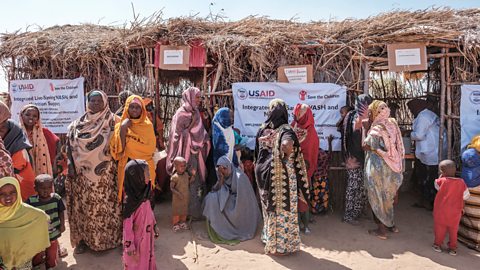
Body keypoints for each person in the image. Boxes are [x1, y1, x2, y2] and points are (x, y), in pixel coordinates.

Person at [66, 90, 122, 253]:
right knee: (84, 207)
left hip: (107, 175)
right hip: (82, 175)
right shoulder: (77, 124)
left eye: (99, 101)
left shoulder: (114, 121)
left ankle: (113, 239)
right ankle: (83, 240)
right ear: (87, 102)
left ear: (105, 102)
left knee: (108, 208)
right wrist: (70, 163)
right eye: (92, 101)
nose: (96, 104)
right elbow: (69, 145)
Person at [254, 98, 309, 255]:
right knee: (283, 209)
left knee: (268, 208)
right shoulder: (286, 130)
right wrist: (285, 158)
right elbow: (287, 145)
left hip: (262, 174)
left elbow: (257, 151)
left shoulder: (263, 128)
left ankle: (268, 237)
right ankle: (281, 247)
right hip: (281, 177)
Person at [166, 87, 210, 220]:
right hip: (183, 157)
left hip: (195, 155)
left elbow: (201, 132)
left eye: (199, 97)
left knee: (195, 183)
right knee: (183, 184)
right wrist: (186, 136)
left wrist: (202, 141)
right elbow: (175, 136)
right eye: (196, 97)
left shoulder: (196, 113)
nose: (198, 100)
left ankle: (194, 213)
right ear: (189, 97)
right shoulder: (180, 114)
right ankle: (182, 216)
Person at [363, 100, 405, 240]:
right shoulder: (392, 124)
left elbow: (367, 146)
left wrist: (364, 129)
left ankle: (381, 230)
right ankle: (392, 225)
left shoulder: (376, 129)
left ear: (375, 112)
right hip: (392, 166)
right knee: (388, 197)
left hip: (378, 168)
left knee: (377, 197)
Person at [203, 155, 261, 244]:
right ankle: (216, 229)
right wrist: (221, 180)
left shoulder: (240, 177)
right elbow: (215, 189)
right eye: (220, 170)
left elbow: (244, 200)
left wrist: (226, 198)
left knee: (215, 199)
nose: (223, 172)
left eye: (225, 169)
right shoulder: (222, 174)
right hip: (229, 198)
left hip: (241, 204)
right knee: (211, 198)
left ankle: (229, 229)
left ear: (229, 167)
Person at [110, 95, 156, 201]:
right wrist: (123, 128)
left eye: (137, 107)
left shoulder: (147, 127)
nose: (134, 109)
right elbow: (118, 151)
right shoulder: (119, 126)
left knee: (143, 200)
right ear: (127, 108)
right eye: (132, 107)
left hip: (144, 169)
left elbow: (150, 149)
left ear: (142, 109)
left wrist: (129, 144)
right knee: (128, 201)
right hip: (126, 168)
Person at [0, 177, 50, 270]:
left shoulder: (27, 211)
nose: (8, 197)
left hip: (23, 259)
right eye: (2, 194)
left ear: (18, 192)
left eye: (12, 192)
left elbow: (41, 217)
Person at [407, 98, 446, 210]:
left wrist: (409, 134)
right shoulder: (429, 114)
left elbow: (419, 135)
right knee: (430, 176)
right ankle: (428, 201)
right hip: (434, 149)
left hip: (430, 151)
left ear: (417, 107)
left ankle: (429, 202)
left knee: (429, 178)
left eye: (411, 108)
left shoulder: (423, 117)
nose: (411, 111)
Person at [122, 159, 159, 270]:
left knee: (147, 257)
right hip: (136, 242)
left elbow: (149, 212)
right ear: (136, 177)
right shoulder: (130, 202)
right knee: (136, 262)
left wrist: (155, 225)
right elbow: (127, 228)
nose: (149, 175)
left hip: (147, 236)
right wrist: (129, 246)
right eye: (146, 173)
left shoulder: (145, 192)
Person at [342, 94, 372, 224]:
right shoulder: (354, 117)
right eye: (365, 104)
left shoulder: (363, 117)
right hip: (353, 158)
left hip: (363, 157)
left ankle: (357, 212)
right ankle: (348, 216)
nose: (366, 106)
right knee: (353, 187)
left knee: (361, 187)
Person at [432, 160, 470, 256]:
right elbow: (465, 196)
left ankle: (437, 245)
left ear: (442, 172)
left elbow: (436, 185)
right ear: (455, 169)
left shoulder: (441, 181)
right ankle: (452, 249)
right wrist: (462, 207)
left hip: (441, 211)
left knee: (440, 229)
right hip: (455, 212)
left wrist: (441, 177)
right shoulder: (462, 182)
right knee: (453, 231)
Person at [27, 174, 66, 269]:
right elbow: (24, 212)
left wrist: (62, 224)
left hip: (53, 232)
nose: (46, 190)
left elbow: (61, 211)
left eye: (49, 187)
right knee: (37, 251)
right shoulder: (31, 201)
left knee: (52, 251)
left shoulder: (56, 198)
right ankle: (37, 265)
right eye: (42, 188)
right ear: (35, 188)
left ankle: (50, 266)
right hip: (38, 234)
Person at [0, 101, 36, 201]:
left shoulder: (18, 148)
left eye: (3, 127)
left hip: (19, 187)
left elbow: (15, 167)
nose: (2, 129)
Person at [292, 103, 319, 233]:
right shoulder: (293, 126)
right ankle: (295, 222)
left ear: (307, 114)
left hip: (304, 169)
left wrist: (304, 164)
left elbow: (312, 153)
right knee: (291, 195)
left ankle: (305, 224)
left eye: (301, 112)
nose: (298, 114)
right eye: (298, 112)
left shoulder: (311, 132)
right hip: (291, 167)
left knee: (303, 194)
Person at [19, 104, 60, 176]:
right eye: (27, 115)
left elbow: (57, 141)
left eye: (35, 116)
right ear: (21, 115)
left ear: (38, 118)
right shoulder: (16, 131)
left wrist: (55, 163)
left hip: (41, 168)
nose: (31, 117)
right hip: (22, 168)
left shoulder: (43, 132)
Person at [459, 134, 480, 251]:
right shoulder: (475, 157)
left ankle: (465, 237)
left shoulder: (468, 153)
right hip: (475, 187)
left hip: (467, 186)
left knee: (467, 214)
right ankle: (475, 242)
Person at [170, 157, 195, 232]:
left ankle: (182, 222)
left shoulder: (186, 175)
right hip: (177, 198)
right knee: (177, 211)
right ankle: (175, 224)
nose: (183, 167)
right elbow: (171, 188)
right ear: (175, 166)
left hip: (185, 197)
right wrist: (178, 194)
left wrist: (193, 176)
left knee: (184, 211)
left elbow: (189, 182)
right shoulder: (174, 177)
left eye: (185, 166)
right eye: (181, 166)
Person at [311, 135, 333, 214]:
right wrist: (330, 143)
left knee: (316, 194)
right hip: (323, 177)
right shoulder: (322, 153)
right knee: (324, 194)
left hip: (316, 177)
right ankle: (323, 210)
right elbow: (330, 156)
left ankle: (315, 210)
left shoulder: (313, 153)